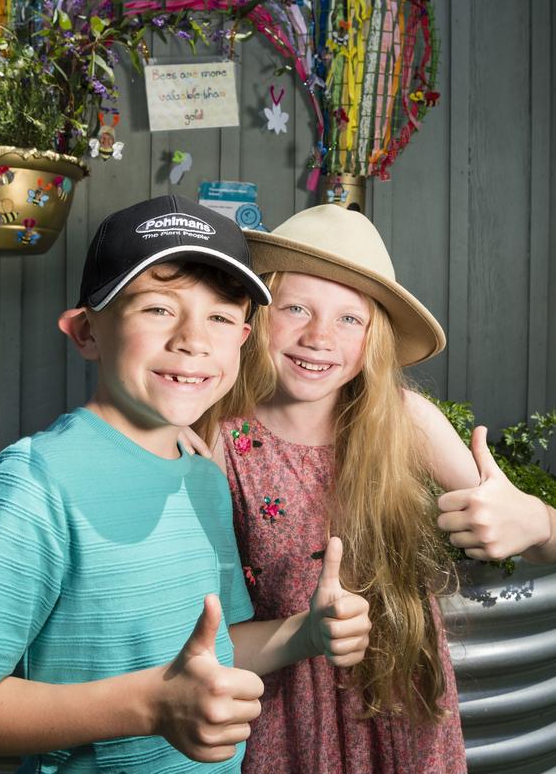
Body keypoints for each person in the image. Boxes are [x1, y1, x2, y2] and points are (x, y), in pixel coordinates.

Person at [0, 194, 371, 774]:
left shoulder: (205, 480)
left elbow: (218, 647)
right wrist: (150, 706)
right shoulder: (35, 485)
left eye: (221, 317)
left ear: (243, 339)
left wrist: (305, 634)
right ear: (86, 332)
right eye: (157, 309)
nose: (192, 339)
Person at [194, 204, 556, 774]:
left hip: (399, 698)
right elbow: (198, 626)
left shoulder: (405, 421)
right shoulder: (218, 440)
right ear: (256, 316)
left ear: (374, 340)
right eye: (295, 308)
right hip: (282, 711)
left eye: (349, 319)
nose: (318, 336)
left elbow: (543, 544)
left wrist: (538, 522)